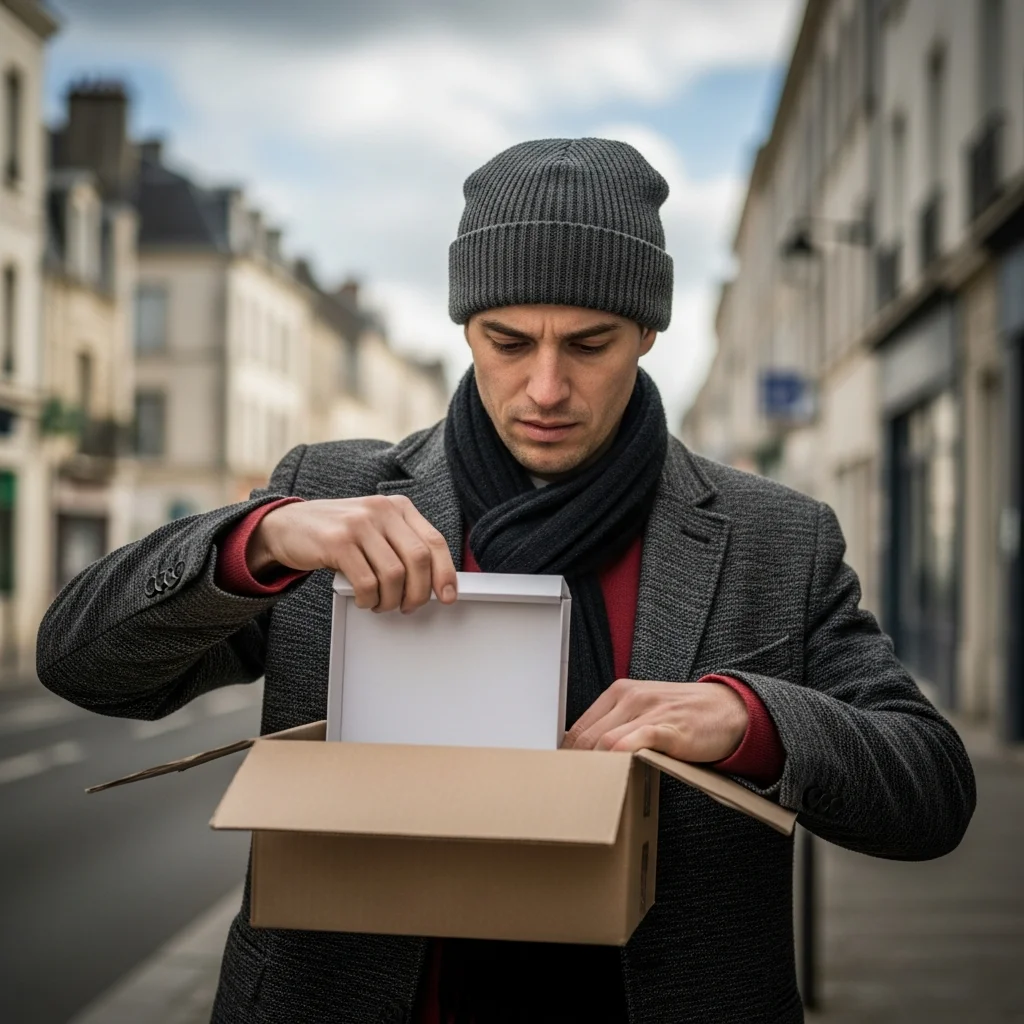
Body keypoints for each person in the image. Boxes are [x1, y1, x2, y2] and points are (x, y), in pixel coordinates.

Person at [37, 138, 975, 1024]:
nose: (546, 389)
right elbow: (86, 664)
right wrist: (259, 540)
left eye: (590, 343)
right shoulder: (328, 495)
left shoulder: (777, 537)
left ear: (648, 332)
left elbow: (931, 795)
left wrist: (752, 721)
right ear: (465, 327)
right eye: (509, 340)